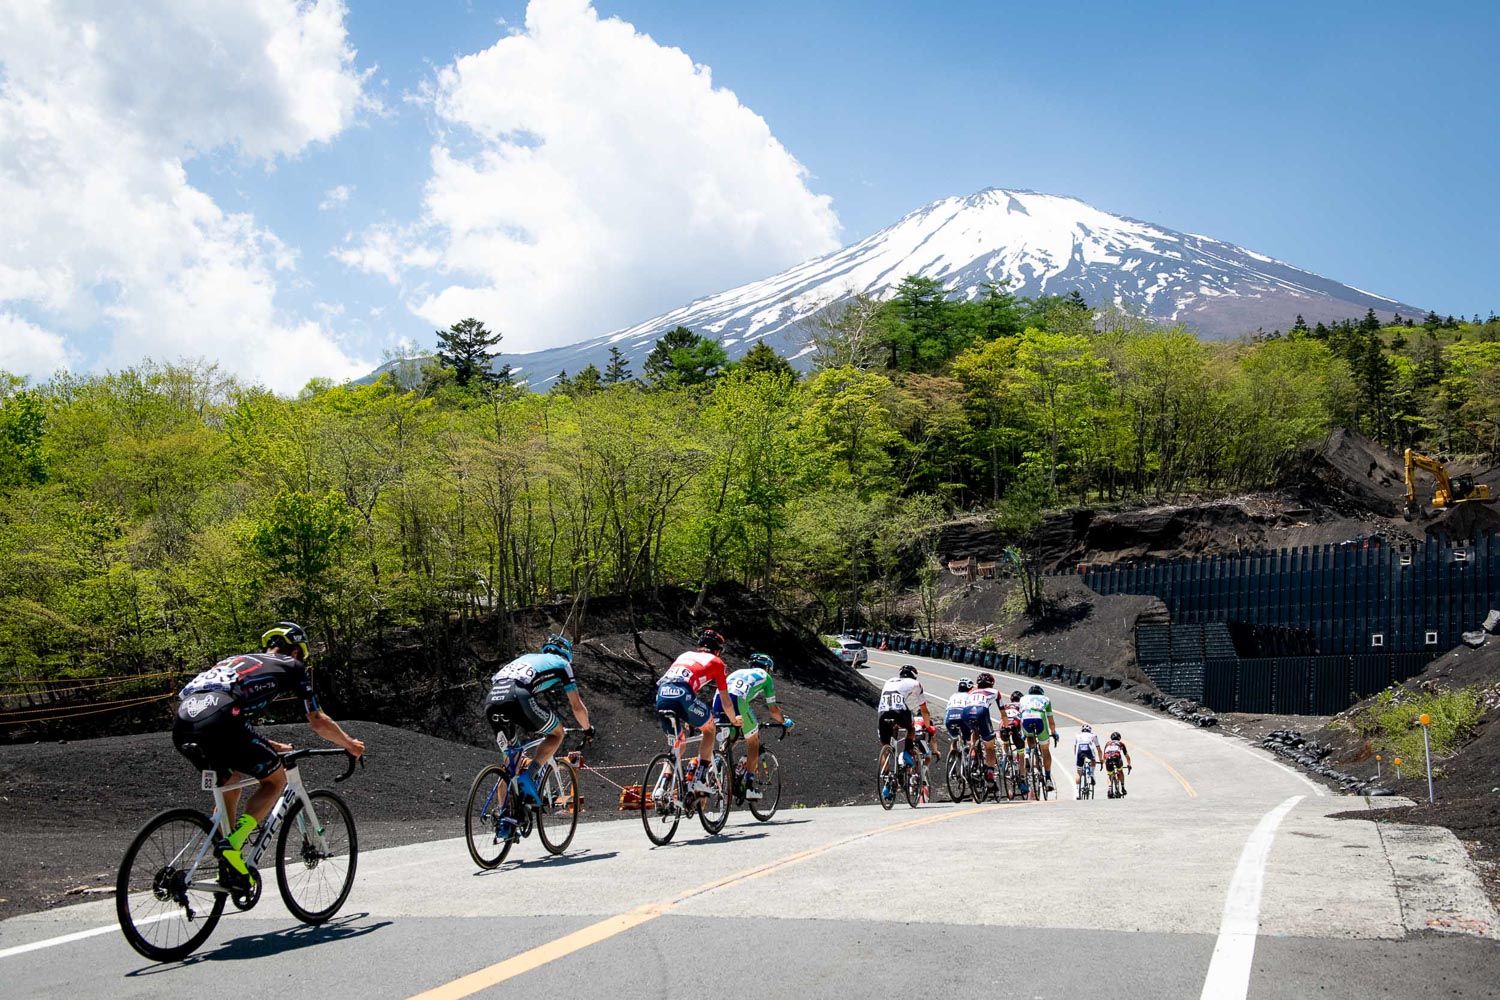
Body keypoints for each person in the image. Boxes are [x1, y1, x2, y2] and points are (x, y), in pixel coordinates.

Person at [172, 622, 364, 889]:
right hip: (222, 720)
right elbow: (318, 720)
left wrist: (271, 745)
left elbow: (230, 719)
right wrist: (349, 743)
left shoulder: (233, 661)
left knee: (230, 781)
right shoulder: (291, 665)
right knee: (275, 780)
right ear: (296, 651)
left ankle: (228, 867)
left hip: (183, 723)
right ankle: (234, 844)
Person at [484, 633, 593, 807]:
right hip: (517, 696)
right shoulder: (562, 664)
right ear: (566, 654)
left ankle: (504, 819)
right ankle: (531, 774)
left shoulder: (526, 657)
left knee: (511, 764)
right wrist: (588, 729)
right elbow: (577, 707)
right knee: (557, 733)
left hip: (492, 700)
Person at [656, 628, 741, 794]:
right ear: (717, 650)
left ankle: (662, 787)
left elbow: (676, 684)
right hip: (683, 695)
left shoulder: (684, 655)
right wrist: (733, 720)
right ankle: (701, 778)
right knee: (710, 729)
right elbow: (725, 700)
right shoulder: (717, 663)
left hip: (661, 695)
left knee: (678, 744)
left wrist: (688, 717)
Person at [713, 653, 791, 800]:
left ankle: (716, 764)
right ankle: (749, 786)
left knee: (731, 737)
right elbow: (773, 710)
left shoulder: (738, 672)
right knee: (754, 741)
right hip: (737, 701)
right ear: (767, 667)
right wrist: (784, 721)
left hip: (718, 700)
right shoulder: (765, 677)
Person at [878, 665, 936, 798]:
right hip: (899, 710)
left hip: (882, 712)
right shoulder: (916, 683)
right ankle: (906, 753)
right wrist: (927, 726)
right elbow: (924, 710)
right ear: (914, 675)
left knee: (885, 746)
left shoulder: (889, 681)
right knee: (911, 728)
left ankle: (887, 781)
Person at [964, 672, 1004, 792]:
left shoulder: (971, 691)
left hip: (966, 712)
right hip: (982, 711)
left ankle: (973, 756)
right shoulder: (995, 692)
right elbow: (1003, 713)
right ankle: (990, 774)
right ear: (992, 684)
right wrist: (1005, 727)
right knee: (989, 746)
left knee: (974, 731)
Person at [1019, 684, 1058, 791]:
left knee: (1029, 736)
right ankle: (1048, 778)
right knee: (1045, 749)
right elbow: (1050, 719)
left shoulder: (1023, 699)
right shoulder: (1046, 699)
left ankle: (1027, 753)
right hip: (1039, 718)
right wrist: (1054, 732)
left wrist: (1023, 733)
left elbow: (1020, 715)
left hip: (1026, 718)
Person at [1000, 690, 1027, 780]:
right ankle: (1022, 777)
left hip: (1004, 726)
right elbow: (1023, 721)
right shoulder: (1022, 706)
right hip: (1015, 725)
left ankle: (1005, 756)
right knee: (1021, 750)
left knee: (1005, 741)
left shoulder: (1006, 705)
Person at [1073, 723, 1103, 798]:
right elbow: (1099, 749)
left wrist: (1077, 758)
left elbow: (1075, 748)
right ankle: (1091, 773)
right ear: (1090, 730)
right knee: (1093, 760)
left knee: (1078, 772)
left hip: (1079, 750)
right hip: (1088, 749)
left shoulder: (1077, 735)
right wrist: (1101, 759)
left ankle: (1077, 792)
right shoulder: (1093, 735)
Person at [944, 677, 975, 744]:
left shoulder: (953, 696)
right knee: (971, 737)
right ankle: (971, 751)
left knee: (955, 740)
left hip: (949, 719)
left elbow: (947, 709)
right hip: (962, 717)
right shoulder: (970, 696)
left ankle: (953, 750)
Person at [1103, 731, 1133, 797]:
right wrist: (1129, 765)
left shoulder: (1107, 743)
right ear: (1119, 738)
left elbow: (1104, 756)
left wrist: (1104, 763)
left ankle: (1109, 789)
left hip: (1108, 757)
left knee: (1109, 774)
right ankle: (1122, 788)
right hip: (1117, 758)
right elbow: (1127, 756)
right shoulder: (1121, 743)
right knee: (1120, 771)